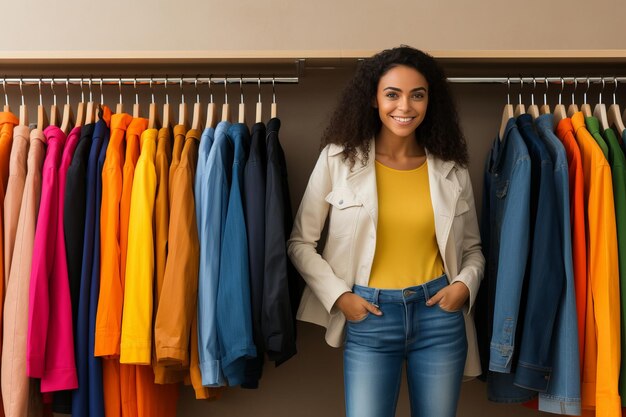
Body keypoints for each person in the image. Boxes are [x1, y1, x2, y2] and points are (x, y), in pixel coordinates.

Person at [287, 46, 485, 417]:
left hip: (439, 319)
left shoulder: (451, 170)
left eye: (417, 95)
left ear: (430, 102)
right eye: (392, 94)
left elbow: (473, 250)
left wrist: (462, 287)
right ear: (374, 99)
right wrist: (341, 298)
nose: (405, 107)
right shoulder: (338, 159)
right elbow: (300, 243)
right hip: (370, 316)